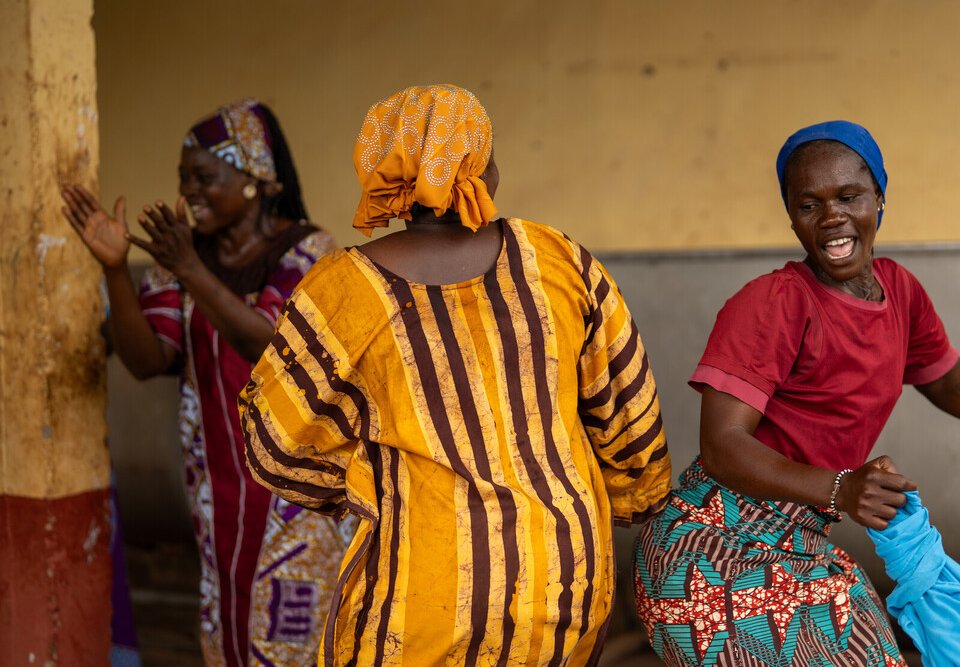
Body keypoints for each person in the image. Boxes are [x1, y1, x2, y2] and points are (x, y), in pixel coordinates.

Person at [632, 120, 960, 667]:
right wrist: (840, 489)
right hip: (709, 552)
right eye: (809, 205)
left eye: (849, 196)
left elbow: (943, 377)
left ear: (879, 197)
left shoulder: (898, 290)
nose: (832, 217)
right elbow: (723, 444)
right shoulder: (774, 302)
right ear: (791, 217)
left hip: (799, 540)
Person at [238, 84, 673, 666]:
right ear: (478, 170)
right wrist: (632, 497)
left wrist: (359, 484)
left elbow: (277, 441)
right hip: (564, 570)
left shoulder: (346, 289)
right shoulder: (560, 261)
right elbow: (626, 410)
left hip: (423, 582)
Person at [60, 99, 346, 667]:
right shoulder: (182, 256)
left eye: (205, 177)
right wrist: (116, 269)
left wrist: (190, 268)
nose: (189, 191)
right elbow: (147, 360)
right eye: (182, 178)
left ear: (257, 180)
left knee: (294, 634)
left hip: (295, 493)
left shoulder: (308, 252)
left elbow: (269, 346)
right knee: (225, 635)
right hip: (216, 488)